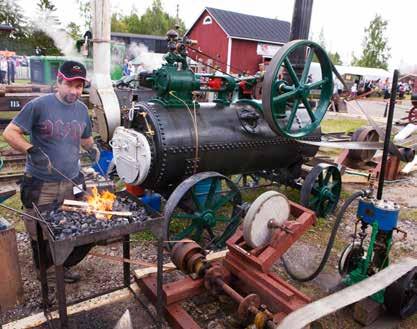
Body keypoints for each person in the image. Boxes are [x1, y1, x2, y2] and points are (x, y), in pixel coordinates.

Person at [3, 60, 100, 283]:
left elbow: (85, 138)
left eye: (79, 86)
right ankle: (44, 270)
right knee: (39, 231)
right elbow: (10, 133)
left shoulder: (82, 109)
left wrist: (92, 148)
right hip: (41, 182)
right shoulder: (39, 105)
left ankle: (63, 265)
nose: (75, 91)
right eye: (71, 85)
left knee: (71, 226)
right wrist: (31, 150)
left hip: (71, 180)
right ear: (58, 81)